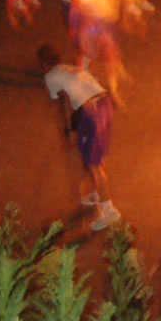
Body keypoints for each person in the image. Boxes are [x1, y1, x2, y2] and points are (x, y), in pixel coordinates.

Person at [38, 45, 119, 230]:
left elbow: (63, 104)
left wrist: (70, 130)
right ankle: (97, 192)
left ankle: (109, 211)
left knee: (93, 165)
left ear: (43, 64)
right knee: (95, 159)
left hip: (89, 112)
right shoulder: (71, 68)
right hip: (104, 104)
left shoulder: (51, 76)